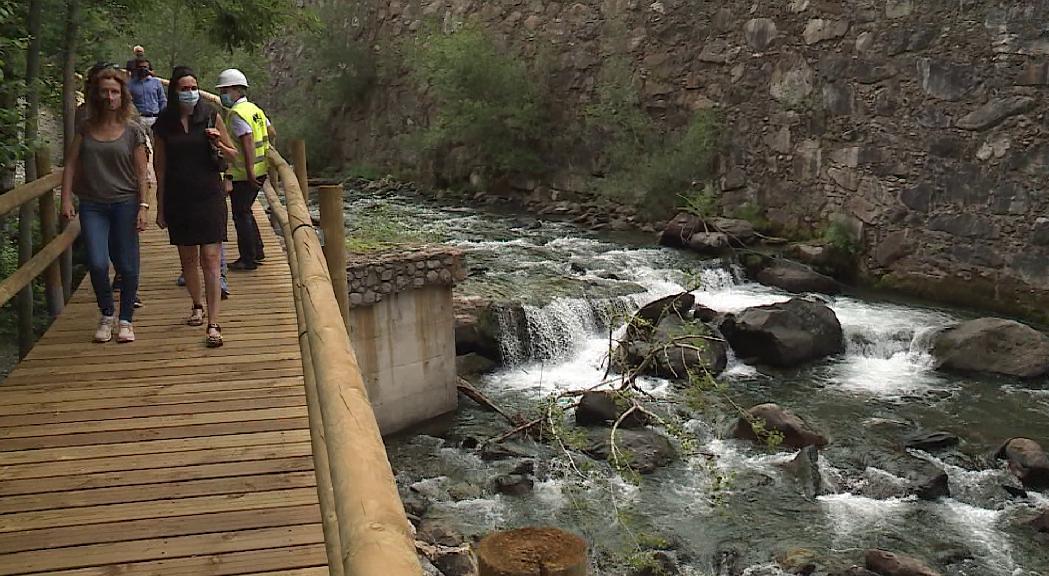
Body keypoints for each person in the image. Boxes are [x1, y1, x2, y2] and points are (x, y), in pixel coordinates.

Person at [60, 68, 149, 343]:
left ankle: (125, 320)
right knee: (98, 263)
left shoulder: (133, 130)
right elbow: (71, 164)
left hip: (125, 202)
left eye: (114, 92)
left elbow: (141, 172)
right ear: (96, 95)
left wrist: (144, 205)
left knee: (127, 263)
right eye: (104, 91)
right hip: (93, 205)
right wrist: (65, 199)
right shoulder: (86, 128)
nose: (109, 97)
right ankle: (106, 313)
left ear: (122, 95)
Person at [154, 66, 239, 347]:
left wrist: (217, 142)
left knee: (211, 259)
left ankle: (214, 323)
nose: (189, 93)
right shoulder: (164, 125)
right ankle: (196, 305)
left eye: (193, 88)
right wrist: (159, 206)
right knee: (188, 259)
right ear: (174, 91)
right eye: (184, 89)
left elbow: (233, 156)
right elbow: (160, 168)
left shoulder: (211, 116)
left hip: (209, 194)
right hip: (179, 196)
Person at [216, 68, 274, 271]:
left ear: (235, 90)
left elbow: (247, 141)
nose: (222, 95)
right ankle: (257, 251)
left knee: (241, 214)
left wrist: (248, 170)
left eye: (224, 90)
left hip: (245, 173)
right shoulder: (254, 109)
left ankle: (248, 258)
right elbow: (270, 131)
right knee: (246, 211)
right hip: (262, 168)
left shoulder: (237, 114)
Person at [128, 58, 165, 129]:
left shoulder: (156, 82)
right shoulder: (130, 84)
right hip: (139, 119)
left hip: (155, 118)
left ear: (149, 69)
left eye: (145, 67)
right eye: (140, 67)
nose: (142, 69)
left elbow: (162, 100)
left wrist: (162, 116)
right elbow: (128, 101)